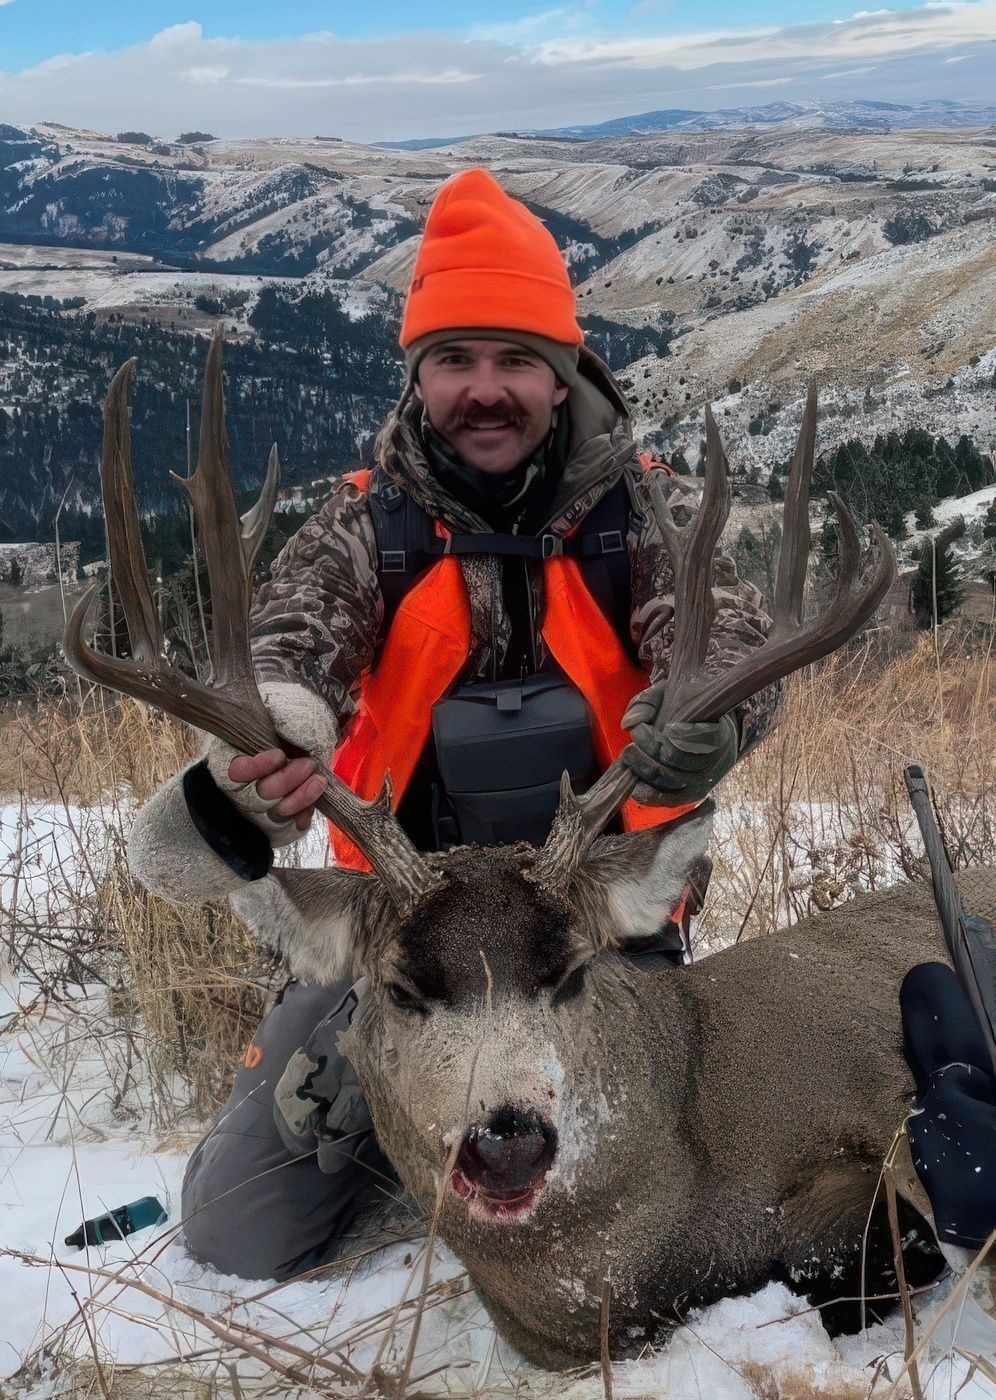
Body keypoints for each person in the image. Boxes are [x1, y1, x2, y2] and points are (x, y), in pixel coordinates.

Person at [129, 168, 780, 1281]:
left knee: (675, 1220)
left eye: (516, 358)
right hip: (401, 931)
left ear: (564, 368)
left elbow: (723, 634)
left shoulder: (645, 511)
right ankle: (407, 1110)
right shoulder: (362, 525)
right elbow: (289, 643)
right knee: (241, 1229)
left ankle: (457, 1119)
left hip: (593, 931)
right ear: (418, 372)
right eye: (454, 359)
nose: (485, 389)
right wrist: (269, 742)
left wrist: (713, 712)